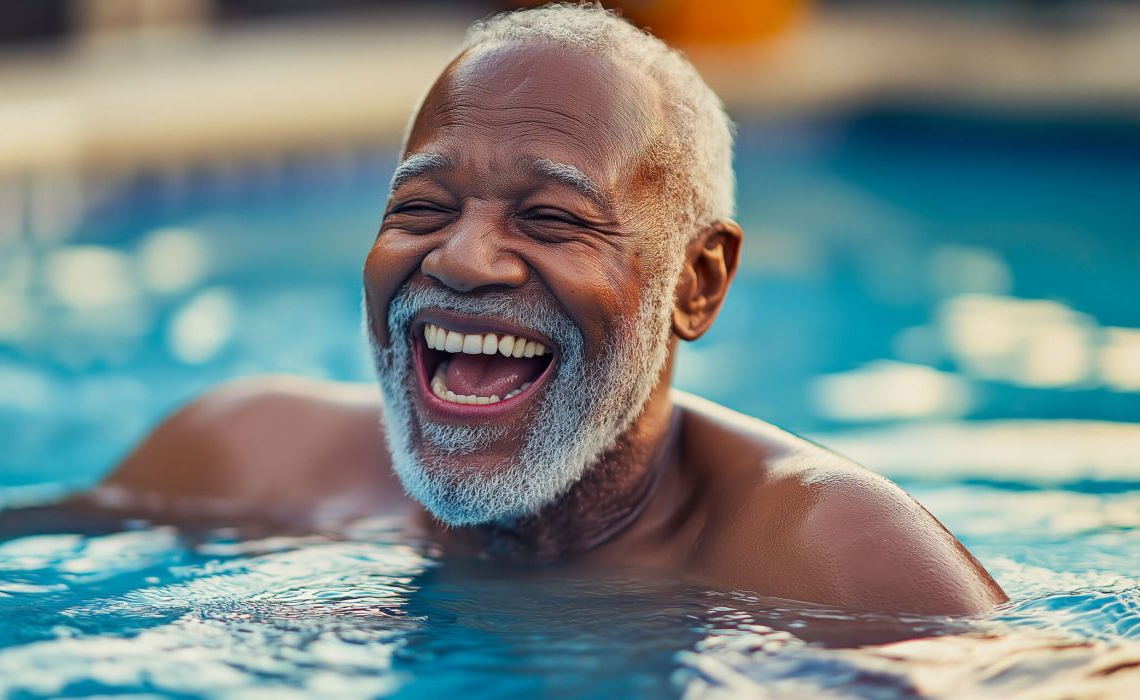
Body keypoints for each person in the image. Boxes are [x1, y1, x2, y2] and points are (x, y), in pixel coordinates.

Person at [101, 4, 1006, 615]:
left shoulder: (834, 564)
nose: (459, 258)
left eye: (551, 218)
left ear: (698, 284)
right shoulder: (234, 464)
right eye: (421, 207)